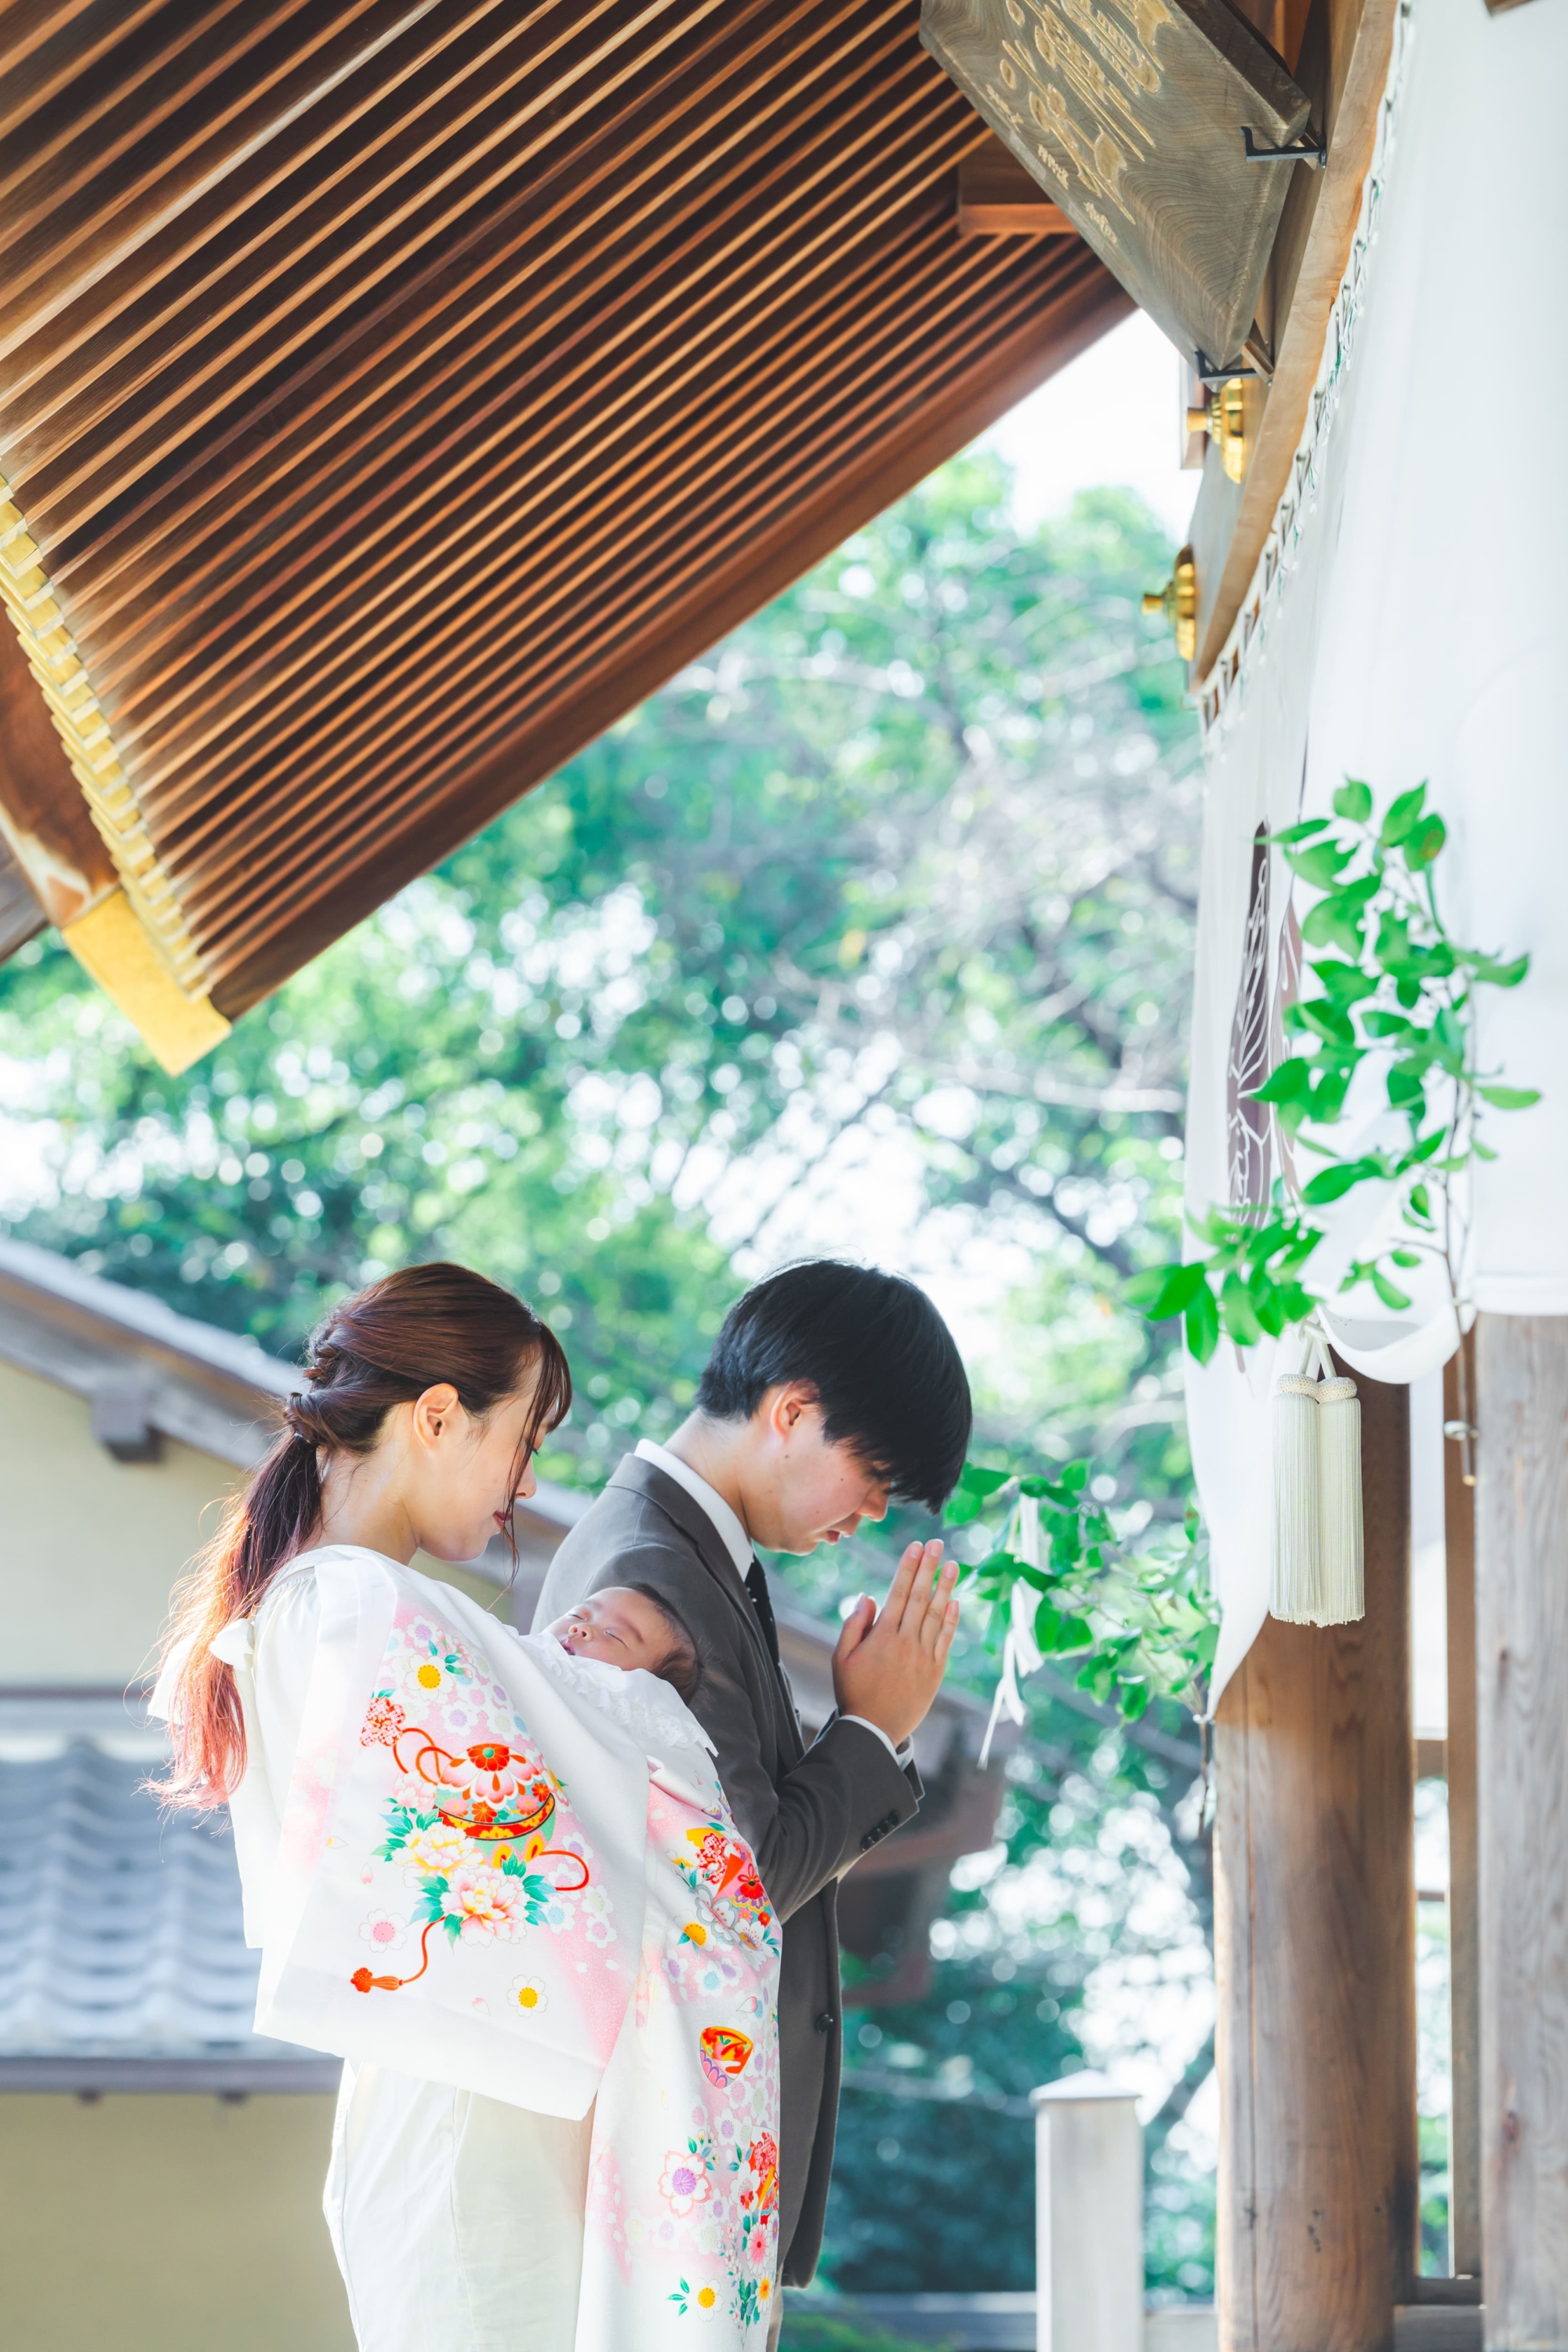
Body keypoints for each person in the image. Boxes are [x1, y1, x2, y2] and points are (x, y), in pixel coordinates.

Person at [154, 1261, 781, 2350]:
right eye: (522, 1441)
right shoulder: (357, 1609)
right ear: (438, 1417)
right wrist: (641, 1690)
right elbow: (584, 1843)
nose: (528, 1483)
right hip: (474, 2139)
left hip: (474, 2115)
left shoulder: (347, 1606)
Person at [532, 1259, 972, 2325]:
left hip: (685, 2147)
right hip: (662, 2151)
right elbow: (735, 1879)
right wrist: (873, 1730)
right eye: (872, 1475)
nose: (870, 1514)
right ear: (791, 1411)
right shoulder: (649, 1569)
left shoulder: (687, 1556)